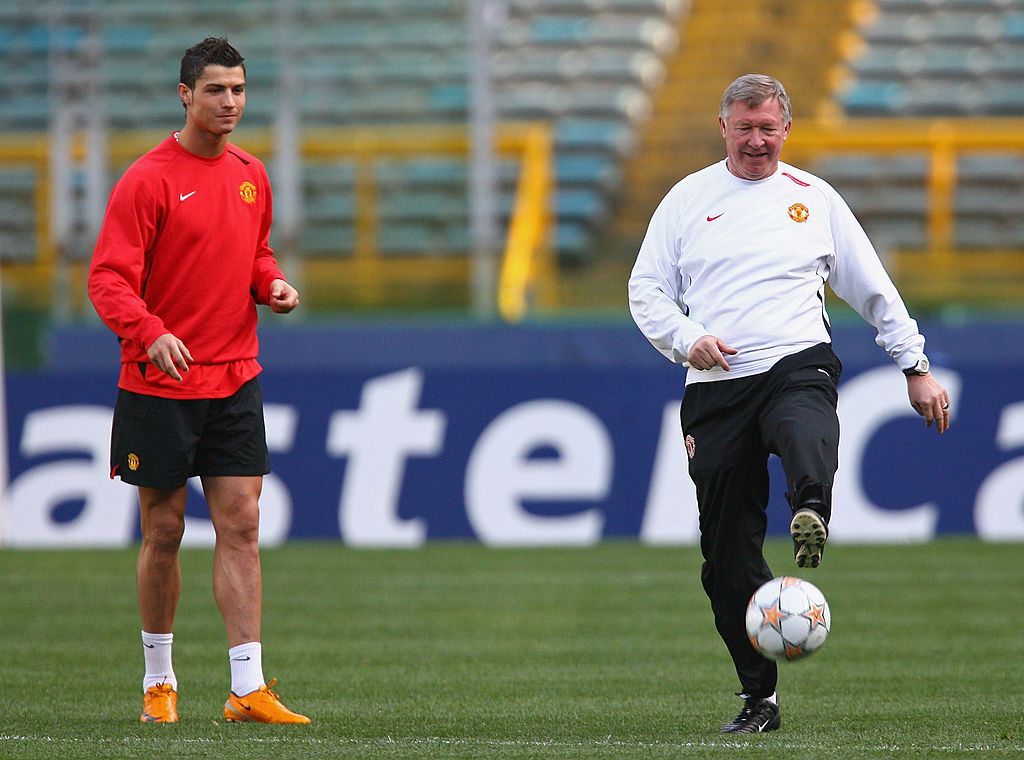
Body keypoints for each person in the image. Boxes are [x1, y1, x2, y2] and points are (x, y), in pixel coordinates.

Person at [627, 73, 950, 734]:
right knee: (724, 561)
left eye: (766, 128)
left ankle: (811, 506)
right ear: (723, 128)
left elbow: (871, 288)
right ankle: (760, 698)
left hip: (794, 359)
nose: (755, 140)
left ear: (786, 129)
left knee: (804, 420)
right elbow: (646, 291)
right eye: (743, 127)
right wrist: (689, 340)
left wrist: (914, 365)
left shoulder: (814, 198)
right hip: (716, 387)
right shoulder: (688, 200)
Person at [88, 37, 310, 725]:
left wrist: (268, 282)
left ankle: (247, 687)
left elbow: (254, 250)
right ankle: (160, 681)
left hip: (235, 374)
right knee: (164, 529)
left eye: (239, 89)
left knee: (241, 521)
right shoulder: (147, 179)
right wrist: (150, 333)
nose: (231, 102)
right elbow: (106, 278)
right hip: (160, 382)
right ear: (185, 95)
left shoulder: (251, 173)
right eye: (216, 90)